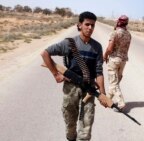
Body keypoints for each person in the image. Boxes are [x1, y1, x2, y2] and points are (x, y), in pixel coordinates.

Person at [41, 11, 108, 141]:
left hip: (89, 89)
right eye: (87, 24)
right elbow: (45, 53)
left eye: (93, 25)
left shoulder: (97, 47)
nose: (90, 28)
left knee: (86, 125)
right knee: (70, 123)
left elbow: (99, 72)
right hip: (71, 88)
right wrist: (56, 75)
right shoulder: (70, 43)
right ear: (79, 25)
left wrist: (102, 94)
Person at [103, 15, 132, 111]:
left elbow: (110, 48)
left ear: (118, 22)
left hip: (114, 60)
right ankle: (108, 100)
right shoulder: (128, 34)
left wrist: (105, 55)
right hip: (123, 61)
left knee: (113, 82)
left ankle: (120, 103)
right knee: (115, 81)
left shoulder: (115, 33)